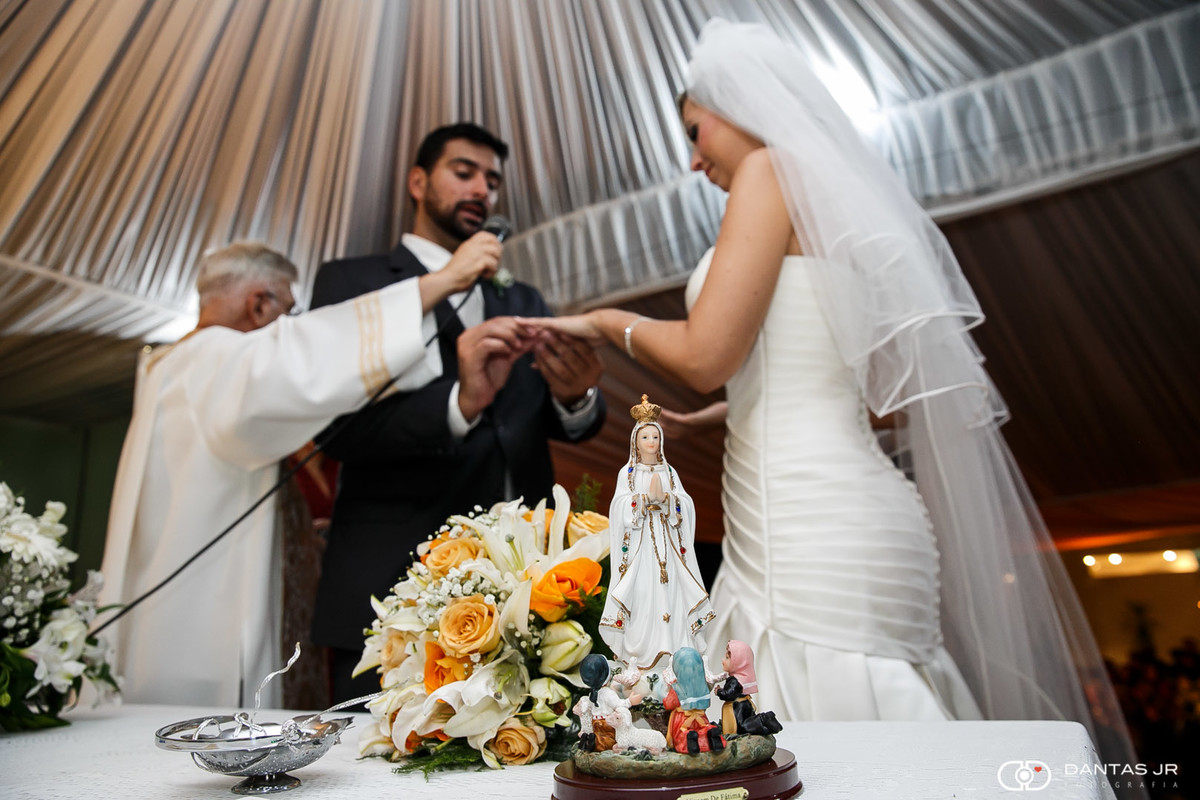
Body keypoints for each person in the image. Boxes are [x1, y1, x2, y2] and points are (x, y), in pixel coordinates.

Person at [533, 17, 1135, 760]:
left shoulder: (770, 170)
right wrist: (729, 410)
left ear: (736, 105)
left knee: (806, 743)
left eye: (696, 131)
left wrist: (603, 319)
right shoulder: (820, 197)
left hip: (807, 528)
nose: (694, 160)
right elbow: (836, 373)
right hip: (850, 506)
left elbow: (706, 352)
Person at [98, 242, 533, 707]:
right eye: (289, 311)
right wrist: (442, 282)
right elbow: (314, 357)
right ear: (259, 304)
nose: (290, 323)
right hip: (205, 614)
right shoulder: (219, 358)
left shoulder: (169, 365)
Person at [307, 123, 606, 703]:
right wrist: (459, 403)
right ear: (419, 182)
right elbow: (334, 430)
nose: (481, 191)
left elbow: (550, 419)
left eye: (491, 182)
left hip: (523, 597)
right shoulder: (353, 283)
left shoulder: (522, 300)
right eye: (463, 172)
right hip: (392, 583)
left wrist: (577, 398)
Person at [600, 395, 714, 672]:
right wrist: (639, 501)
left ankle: (675, 653)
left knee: (672, 594)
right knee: (642, 597)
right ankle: (640, 659)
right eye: (646, 437)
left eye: (655, 436)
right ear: (635, 442)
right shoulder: (626, 474)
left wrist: (668, 502)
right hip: (641, 551)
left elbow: (686, 505)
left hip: (668, 548)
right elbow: (617, 508)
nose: (651, 442)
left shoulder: (670, 472)